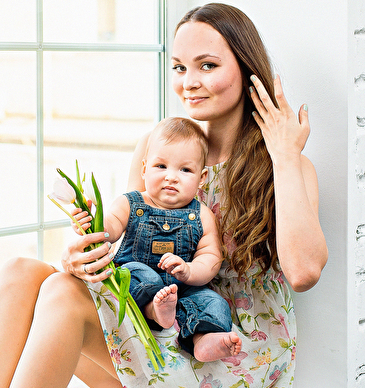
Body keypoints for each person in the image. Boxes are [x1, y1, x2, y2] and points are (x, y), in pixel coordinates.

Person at [0, 2, 328, 388]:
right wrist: (82, 258)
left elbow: (304, 271)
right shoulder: (160, 150)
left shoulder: (285, 165)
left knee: (61, 296)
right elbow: (130, 251)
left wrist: (285, 153)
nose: (188, 82)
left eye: (207, 65)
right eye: (179, 67)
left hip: (223, 357)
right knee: (22, 271)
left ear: (246, 68)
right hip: (157, 328)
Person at [73, 116, 242, 362]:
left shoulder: (202, 215)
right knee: (140, 275)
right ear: (144, 169)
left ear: (202, 177)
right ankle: (153, 310)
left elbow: (210, 257)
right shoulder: (130, 203)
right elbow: (110, 230)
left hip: (182, 290)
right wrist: (92, 221)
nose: (171, 177)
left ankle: (202, 340)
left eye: (185, 170)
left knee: (213, 302)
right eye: (161, 166)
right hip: (138, 283)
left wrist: (189, 271)